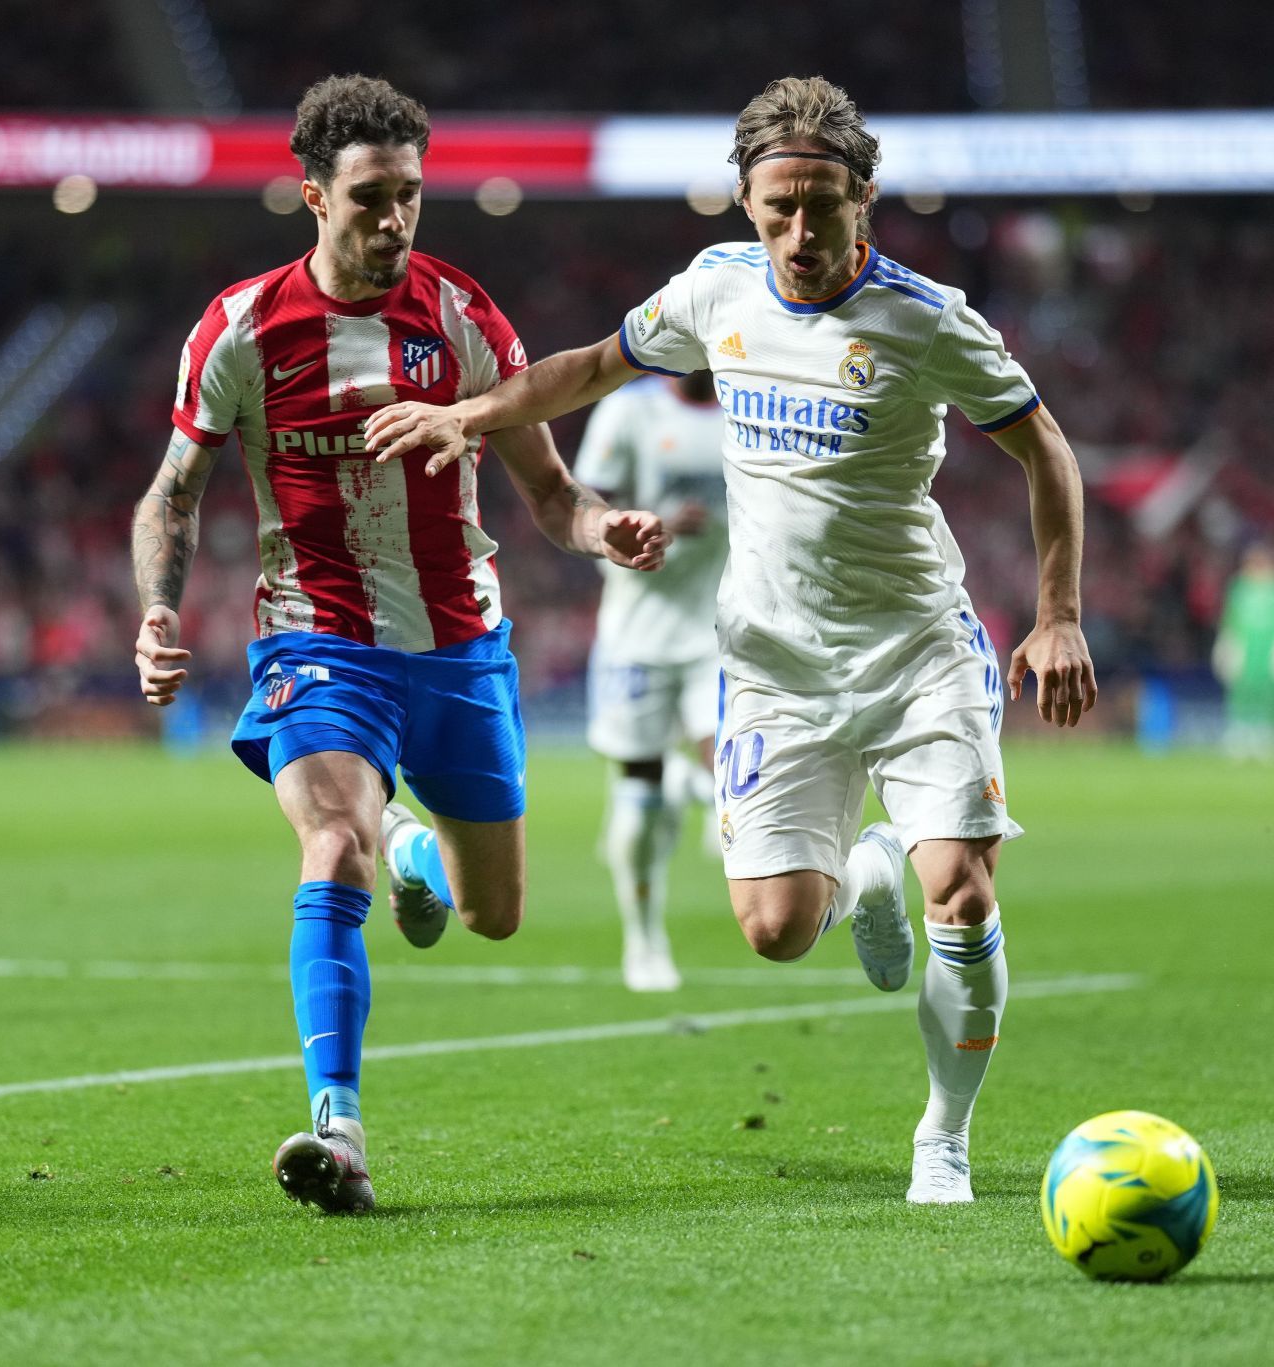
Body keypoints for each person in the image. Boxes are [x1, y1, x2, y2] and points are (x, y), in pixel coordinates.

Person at [363, 75, 1097, 1204]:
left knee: (964, 888)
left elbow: (1045, 447)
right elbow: (593, 367)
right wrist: (473, 412)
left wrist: (1056, 614)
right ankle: (867, 869)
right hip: (770, 663)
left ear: (867, 196)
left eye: (825, 206)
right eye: (777, 208)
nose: (801, 233)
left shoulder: (927, 317)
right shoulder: (716, 292)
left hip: (913, 650)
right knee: (773, 929)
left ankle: (943, 1136)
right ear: (744, 203)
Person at [128, 74, 666, 1215]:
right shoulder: (240, 329)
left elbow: (550, 492)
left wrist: (601, 530)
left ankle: (414, 843)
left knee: (495, 912)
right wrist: (158, 610)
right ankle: (341, 1124)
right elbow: (174, 493)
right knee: (331, 846)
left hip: (462, 648)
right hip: (319, 641)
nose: (394, 221)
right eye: (370, 198)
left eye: (410, 197)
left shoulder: (465, 318)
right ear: (312, 194)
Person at [573, 370, 729, 992]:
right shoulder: (628, 412)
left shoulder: (750, 403)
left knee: (731, 766)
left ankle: (707, 787)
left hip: (718, 625)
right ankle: (643, 939)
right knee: (636, 802)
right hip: (636, 632)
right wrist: (653, 520)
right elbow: (586, 504)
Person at [1212, 541, 1274, 761]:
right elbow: (1230, 618)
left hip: (1271, 645)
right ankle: (1240, 730)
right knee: (1241, 686)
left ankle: (1268, 731)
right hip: (1245, 645)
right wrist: (1226, 642)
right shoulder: (1239, 587)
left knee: (1270, 688)